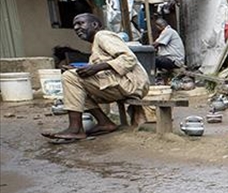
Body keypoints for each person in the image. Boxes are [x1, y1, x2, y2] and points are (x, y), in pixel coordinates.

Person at [42, 13, 149, 142]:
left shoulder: (102, 35)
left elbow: (129, 59)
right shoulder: (95, 45)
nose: (76, 28)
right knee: (76, 86)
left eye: (81, 23)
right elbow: (99, 69)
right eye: (75, 26)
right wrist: (81, 70)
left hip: (132, 83)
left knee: (70, 78)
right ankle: (105, 123)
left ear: (95, 25)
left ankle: (75, 129)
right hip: (123, 83)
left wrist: (95, 68)